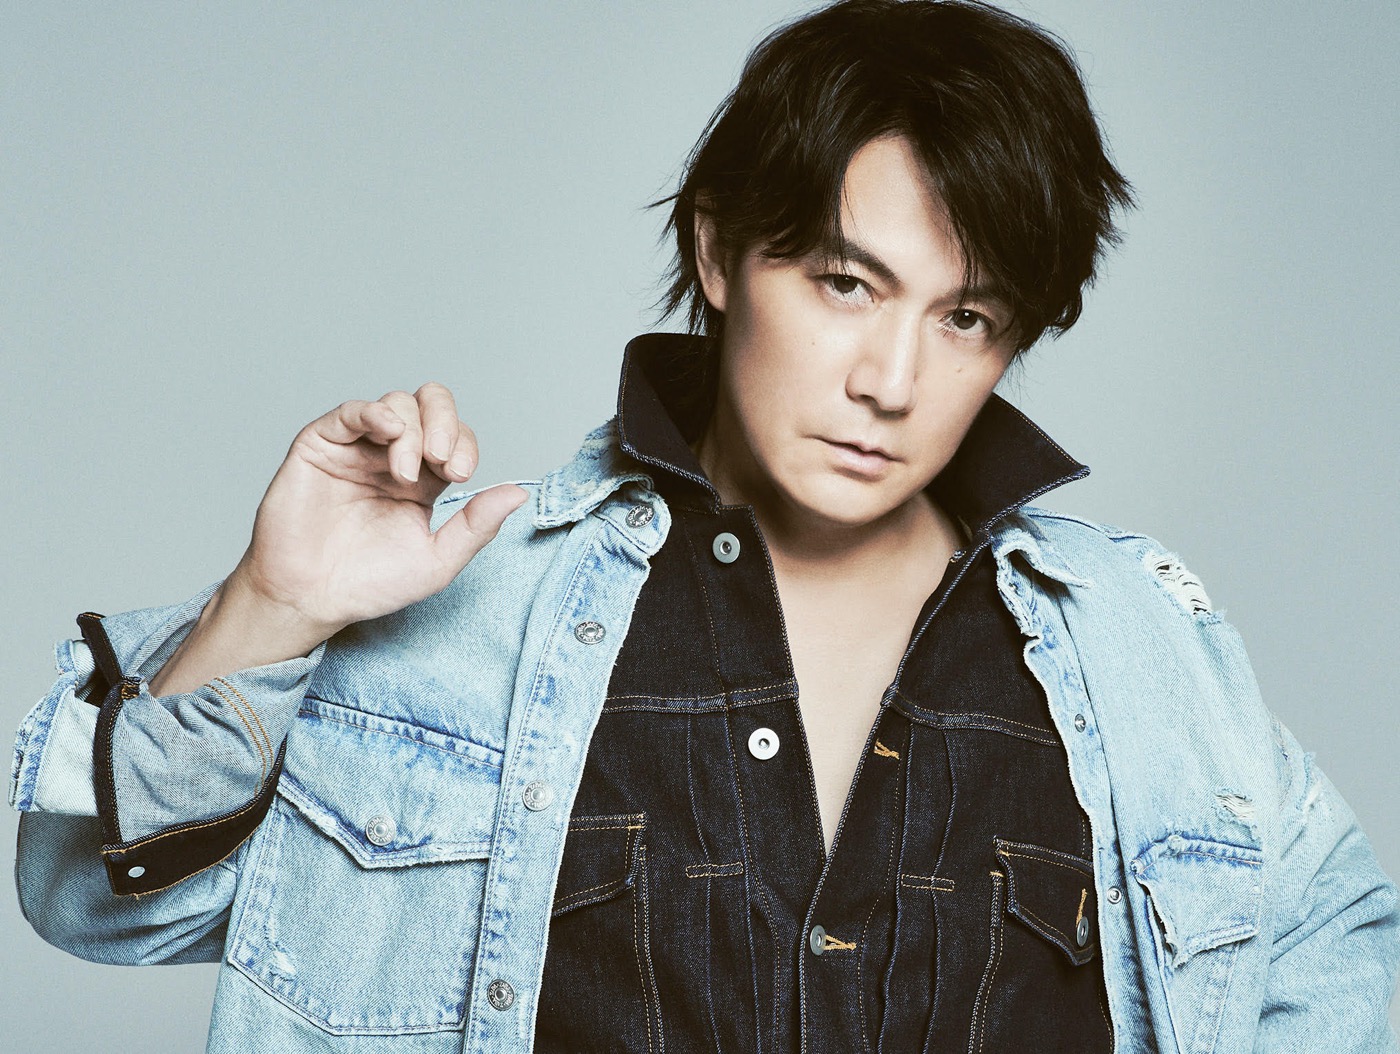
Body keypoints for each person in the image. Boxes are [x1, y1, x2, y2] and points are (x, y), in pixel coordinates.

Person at [10, 0, 1398, 1051]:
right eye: (847, 284)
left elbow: (1341, 952)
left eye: (965, 317)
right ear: (720, 249)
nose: (892, 380)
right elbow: (87, 895)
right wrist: (271, 603)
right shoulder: (475, 610)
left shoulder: (1141, 644)